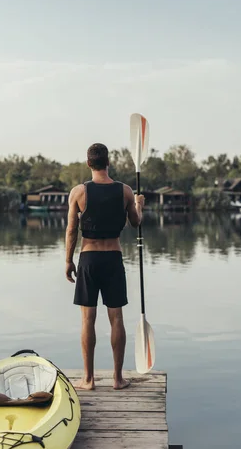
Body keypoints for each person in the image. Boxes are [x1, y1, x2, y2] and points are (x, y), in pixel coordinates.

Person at [65, 142, 144, 391]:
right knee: (116, 318)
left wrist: (68, 260)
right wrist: (140, 204)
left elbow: (71, 230)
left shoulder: (78, 192)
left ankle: (88, 380)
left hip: (88, 259)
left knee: (88, 319)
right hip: (113, 259)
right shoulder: (126, 191)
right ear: (108, 162)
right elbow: (135, 222)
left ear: (89, 163)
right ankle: (117, 379)